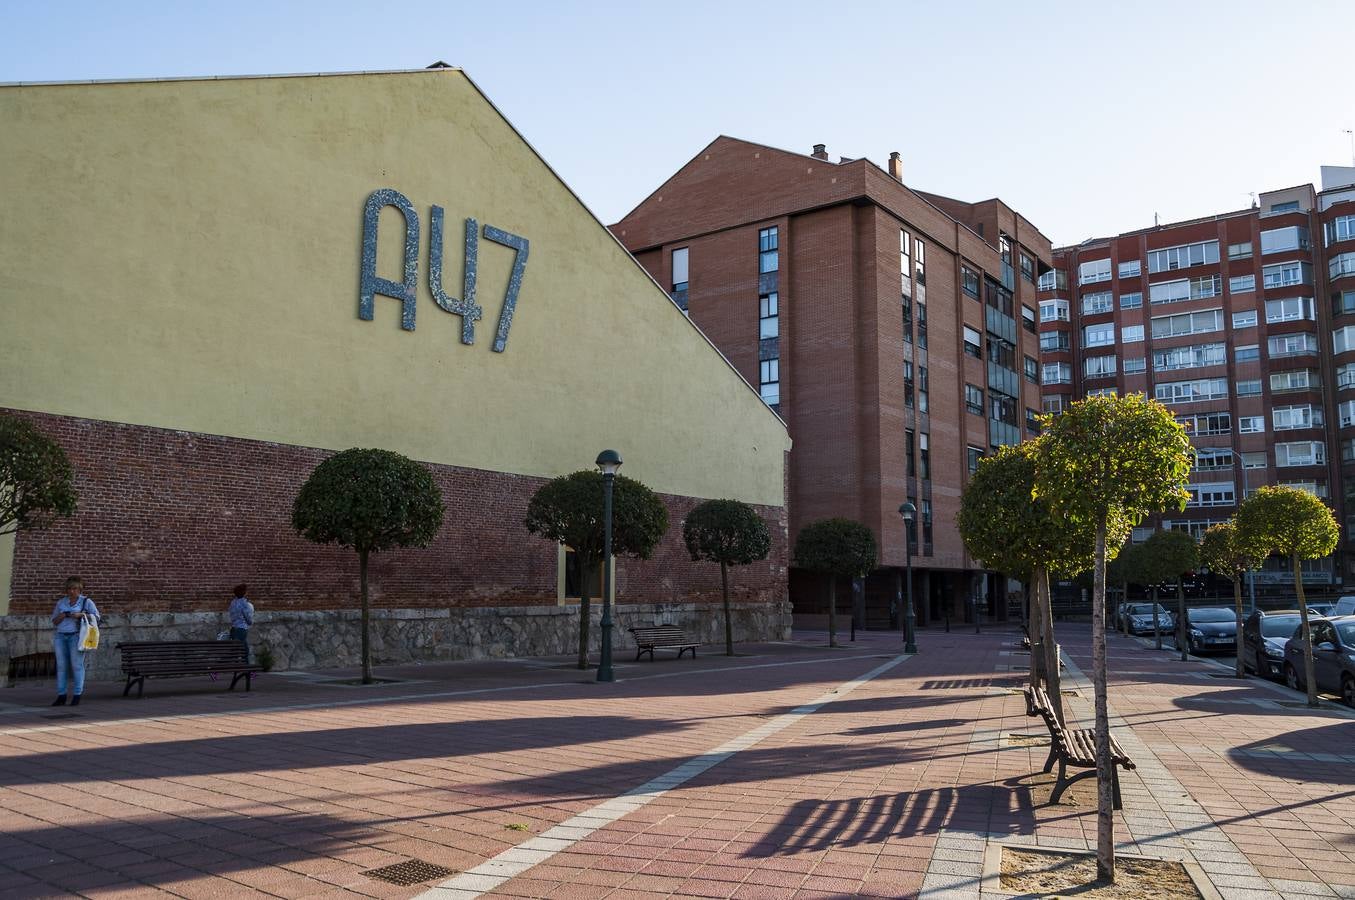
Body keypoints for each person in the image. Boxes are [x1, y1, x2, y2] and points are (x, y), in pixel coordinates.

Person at [51, 576, 99, 706]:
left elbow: (97, 617)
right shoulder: (61, 602)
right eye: (69, 588)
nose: (72, 591)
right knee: (61, 666)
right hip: (61, 636)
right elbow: (54, 621)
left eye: (75, 588)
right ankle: (61, 695)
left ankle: (77, 694)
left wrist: (81, 615)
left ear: (80, 589)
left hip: (76, 636)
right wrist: (63, 615)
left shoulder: (86, 602)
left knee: (77, 666)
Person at [228, 583, 254, 657]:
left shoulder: (232, 603)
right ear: (244, 593)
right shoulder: (244, 603)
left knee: (244, 650)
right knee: (239, 651)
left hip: (233, 629)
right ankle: (241, 666)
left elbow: (231, 615)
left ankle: (244, 665)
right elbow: (247, 618)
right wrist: (250, 622)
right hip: (241, 629)